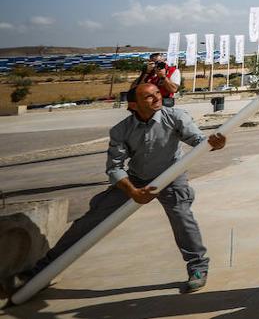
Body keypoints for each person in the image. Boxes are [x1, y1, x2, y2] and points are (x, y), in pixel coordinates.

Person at [7, 83, 227, 297]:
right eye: (149, 96)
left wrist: (214, 143)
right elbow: (114, 168)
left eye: (157, 93)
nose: (157, 98)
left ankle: (198, 267)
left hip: (171, 176)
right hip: (135, 179)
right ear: (133, 105)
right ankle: (41, 271)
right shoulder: (121, 130)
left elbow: (198, 140)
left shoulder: (176, 116)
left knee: (182, 217)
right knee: (89, 222)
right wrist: (131, 191)